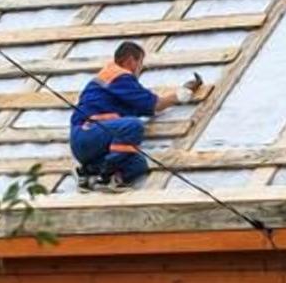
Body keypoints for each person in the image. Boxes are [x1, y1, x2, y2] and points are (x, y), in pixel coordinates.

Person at [69, 40, 206, 190]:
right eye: (140, 62)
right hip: (87, 133)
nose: (141, 68)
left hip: (91, 144)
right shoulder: (119, 76)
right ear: (130, 61)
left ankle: (89, 172)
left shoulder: (111, 80)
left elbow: (144, 106)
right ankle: (106, 175)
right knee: (133, 125)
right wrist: (182, 94)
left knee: (138, 164)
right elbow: (153, 104)